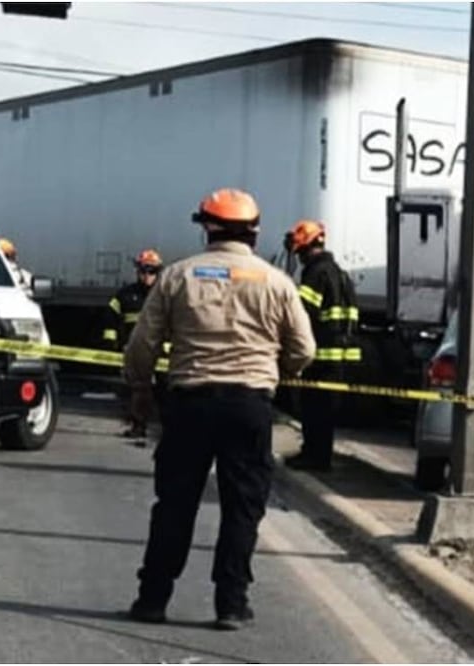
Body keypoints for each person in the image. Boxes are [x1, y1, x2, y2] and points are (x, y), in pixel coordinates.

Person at [122, 188, 316, 630]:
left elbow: (142, 344)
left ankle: (153, 598)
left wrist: (140, 392)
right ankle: (231, 603)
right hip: (249, 405)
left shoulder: (177, 277)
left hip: (190, 405)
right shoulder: (276, 282)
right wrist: (277, 369)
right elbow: (304, 349)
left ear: (206, 227)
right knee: (242, 507)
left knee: (174, 503)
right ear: (255, 231)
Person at [283, 220, 361, 472]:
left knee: (313, 409)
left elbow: (302, 314)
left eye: (299, 253)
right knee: (325, 412)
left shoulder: (316, 273)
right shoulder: (340, 273)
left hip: (321, 355)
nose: (300, 258)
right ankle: (318, 455)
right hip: (340, 358)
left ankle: (314, 457)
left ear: (306, 249)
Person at [103, 249, 165, 439]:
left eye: (151, 271)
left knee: (166, 392)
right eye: (143, 271)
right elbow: (110, 318)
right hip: (136, 351)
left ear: (158, 272)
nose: (147, 275)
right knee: (137, 390)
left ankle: (167, 429)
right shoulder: (125, 295)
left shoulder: (165, 295)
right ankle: (138, 425)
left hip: (163, 352)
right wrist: (111, 342)